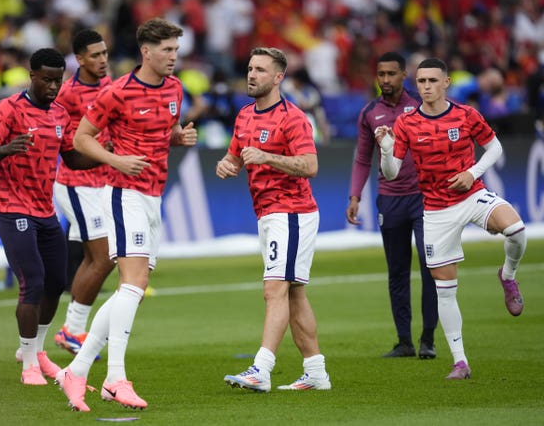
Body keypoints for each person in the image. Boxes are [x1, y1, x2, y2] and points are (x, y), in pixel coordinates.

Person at [55, 18, 197, 411]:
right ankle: (115, 377)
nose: (173, 57)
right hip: (123, 195)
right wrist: (117, 159)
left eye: (176, 50)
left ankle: (77, 370)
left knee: (128, 292)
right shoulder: (117, 92)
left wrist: (178, 137)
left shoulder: (175, 88)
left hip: (154, 197)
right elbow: (82, 137)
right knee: (132, 285)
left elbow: (158, 132)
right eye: (167, 50)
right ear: (146, 51)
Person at [375, 57, 526, 380]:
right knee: (445, 288)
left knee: (515, 229)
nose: (426, 86)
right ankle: (460, 362)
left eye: (432, 81)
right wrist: (386, 149)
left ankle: (508, 275)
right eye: (421, 81)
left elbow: (495, 147)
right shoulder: (406, 123)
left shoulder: (466, 114)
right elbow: (392, 172)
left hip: (471, 195)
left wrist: (472, 173)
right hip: (436, 210)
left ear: (446, 83)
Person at [0, 48, 96, 385]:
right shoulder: (8, 109)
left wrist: (108, 156)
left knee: (56, 282)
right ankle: (29, 363)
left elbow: (71, 159)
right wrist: (5, 149)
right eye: (47, 80)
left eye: (58, 80)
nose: (54, 87)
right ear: (32, 76)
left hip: (45, 210)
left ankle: (36, 349)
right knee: (33, 281)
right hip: (11, 208)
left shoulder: (59, 114)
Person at [216, 47, 331, 392]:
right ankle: (316, 372)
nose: (252, 75)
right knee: (294, 294)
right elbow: (235, 155)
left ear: (278, 77)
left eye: (261, 70)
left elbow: (310, 166)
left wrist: (267, 156)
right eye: (250, 68)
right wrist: (227, 164)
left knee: (274, 289)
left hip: (292, 212)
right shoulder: (245, 115)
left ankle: (261, 369)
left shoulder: (292, 117)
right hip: (267, 213)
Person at [346, 52, 438, 359]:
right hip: (390, 200)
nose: (385, 80)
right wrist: (355, 196)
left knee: (430, 268)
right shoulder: (369, 112)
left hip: (424, 197)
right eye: (380, 74)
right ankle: (404, 342)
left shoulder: (420, 107)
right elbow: (362, 158)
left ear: (403, 76)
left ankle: (428, 339)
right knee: (397, 272)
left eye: (391, 74)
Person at [52, 29, 115, 356]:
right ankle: (71, 330)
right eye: (95, 55)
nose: (103, 60)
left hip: (103, 183)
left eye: (105, 53)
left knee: (95, 259)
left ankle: (67, 331)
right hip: (77, 184)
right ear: (79, 59)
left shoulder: (110, 86)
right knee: (104, 259)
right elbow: (58, 139)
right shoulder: (67, 94)